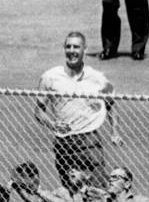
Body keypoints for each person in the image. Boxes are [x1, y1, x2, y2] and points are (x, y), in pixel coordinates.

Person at [35, 31, 122, 190]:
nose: (72, 51)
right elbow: (38, 111)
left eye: (76, 47)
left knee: (97, 187)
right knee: (70, 189)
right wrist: (53, 125)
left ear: (85, 50)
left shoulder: (97, 78)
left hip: (89, 139)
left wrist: (115, 131)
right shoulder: (50, 77)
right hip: (63, 141)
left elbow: (111, 104)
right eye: (68, 47)